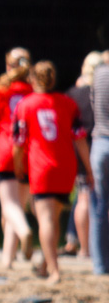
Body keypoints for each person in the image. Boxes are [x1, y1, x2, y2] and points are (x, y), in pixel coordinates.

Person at [14, 61, 94, 284]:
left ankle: (54, 271)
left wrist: (18, 166)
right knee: (53, 218)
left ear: (32, 79)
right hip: (65, 167)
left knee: (46, 219)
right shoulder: (67, 103)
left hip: (41, 168)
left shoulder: (26, 104)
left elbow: (18, 142)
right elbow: (80, 139)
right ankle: (45, 264)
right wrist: (89, 169)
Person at [0, 48, 35, 268]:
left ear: (8, 65)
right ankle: (7, 259)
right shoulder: (34, 91)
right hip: (28, 152)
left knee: (9, 206)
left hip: (5, 149)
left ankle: (24, 232)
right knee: (18, 207)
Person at [63, 52, 99, 257]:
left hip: (79, 149)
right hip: (100, 144)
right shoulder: (102, 91)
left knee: (83, 197)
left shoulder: (73, 94)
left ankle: (84, 248)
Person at [91, 50, 109, 276]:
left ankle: (99, 264)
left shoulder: (99, 74)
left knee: (99, 206)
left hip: (100, 142)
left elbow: (93, 101)